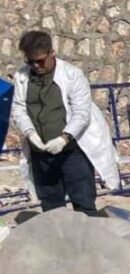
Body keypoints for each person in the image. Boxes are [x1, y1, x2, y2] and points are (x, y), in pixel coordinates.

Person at [10, 30, 120, 215]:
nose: (36, 66)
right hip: (41, 153)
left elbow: (81, 113)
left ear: (52, 53)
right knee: (51, 206)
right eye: (30, 62)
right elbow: (19, 109)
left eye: (40, 61)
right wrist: (30, 133)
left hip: (72, 151)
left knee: (83, 202)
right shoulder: (22, 77)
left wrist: (64, 138)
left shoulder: (72, 75)